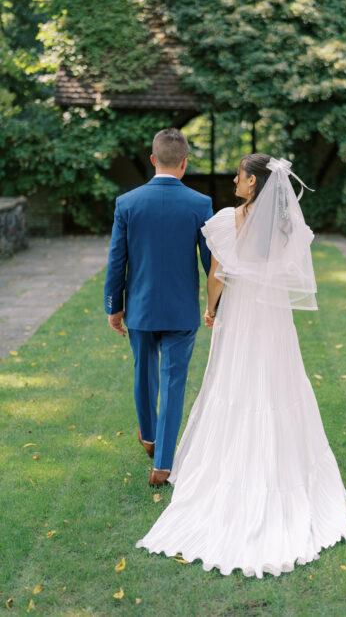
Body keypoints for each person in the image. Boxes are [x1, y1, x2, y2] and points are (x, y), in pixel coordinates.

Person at [135, 153, 346, 578]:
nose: (235, 180)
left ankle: (233, 470)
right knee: (279, 384)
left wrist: (210, 309)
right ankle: (287, 469)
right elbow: (290, 268)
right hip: (273, 317)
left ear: (253, 183)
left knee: (233, 384)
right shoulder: (285, 225)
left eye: (239, 174)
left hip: (240, 315)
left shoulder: (228, 219)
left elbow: (217, 274)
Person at [103, 128, 213, 487]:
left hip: (141, 308)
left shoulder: (128, 202)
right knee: (174, 382)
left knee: (143, 372)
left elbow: (116, 260)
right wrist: (217, 305)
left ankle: (148, 437)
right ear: (184, 163)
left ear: (153, 160)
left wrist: (113, 306)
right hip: (182, 311)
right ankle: (163, 464)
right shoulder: (200, 204)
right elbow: (211, 264)